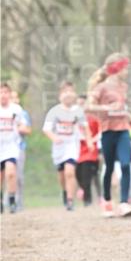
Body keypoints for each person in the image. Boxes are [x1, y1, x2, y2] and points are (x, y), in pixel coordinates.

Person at [86, 53, 131, 218]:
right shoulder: (101, 88)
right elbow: (88, 106)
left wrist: (130, 118)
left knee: (126, 165)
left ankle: (124, 203)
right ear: (116, 68)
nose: (127, 71)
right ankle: (106, 201)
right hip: (107, 132)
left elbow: (123, 108)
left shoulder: (124, 87)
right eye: (125, 67)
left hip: (123, 131)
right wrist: (107, 109)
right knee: (109, 168)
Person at [43, 81, 90, 211]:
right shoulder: (54, 111)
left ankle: (70, 200)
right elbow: (46, 129)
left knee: (70, 172)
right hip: (59, 147)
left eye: (70, 91)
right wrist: (54, 137)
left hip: (72, 145)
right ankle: (64, 191)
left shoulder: (78, 111)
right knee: (62, 175)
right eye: (65, 92)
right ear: (59, 95)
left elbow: (85, 128)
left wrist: (89, 141)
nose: (68, 94)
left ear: (74, 94)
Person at [0, 82, 29, 214]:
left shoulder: (16, 109)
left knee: (11, 173)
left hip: (12, 146)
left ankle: (12, 202)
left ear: (9, 94)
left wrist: (22, 128)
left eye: (5, 92)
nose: (3, 95)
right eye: (1, 92)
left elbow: (24, 125)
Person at [75, 104, 100, 207]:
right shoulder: (75, 121)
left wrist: (93, 141)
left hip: (90, 152)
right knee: (78, 175)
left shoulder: (94, 120)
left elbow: (100, 132)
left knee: (87, 176)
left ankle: (87, 199)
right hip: (78, 151)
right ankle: (83, 190)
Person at [11, 89, 31, 211]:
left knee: (18, 175)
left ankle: (19, 201)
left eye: (16, 97)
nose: (14, 100)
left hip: (19, 147)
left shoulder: (22, 113)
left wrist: (20, 129)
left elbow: (28, 130)